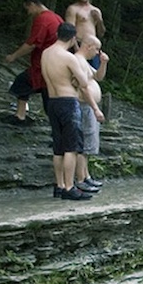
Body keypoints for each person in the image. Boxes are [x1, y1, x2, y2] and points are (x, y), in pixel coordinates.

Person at [41, 22, 104, 200]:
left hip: (52, 101)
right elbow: (83, 82)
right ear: (73, 38)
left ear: (57, 34)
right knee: (72, 147)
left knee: (58, 147)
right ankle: (69, 187)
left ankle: (59, 185)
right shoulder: (68, 57)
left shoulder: (46, 53)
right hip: (68, 102)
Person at [4, 0, 63, 125]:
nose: (29, 13)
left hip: (44, 65)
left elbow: (32, 43)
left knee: (24, 82)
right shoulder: (57, 17)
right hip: (55, 64)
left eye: (28, 9)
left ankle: (21, 116)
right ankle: (21, 115)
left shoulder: (43, 19)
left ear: (32, 4)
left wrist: (14, 56)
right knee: (31, 86)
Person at [73, 34, 108, 192]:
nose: (97, 53)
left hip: (89, 107)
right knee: (85, 144)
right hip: (85, 105)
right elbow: (83, 88)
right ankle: (81, 179)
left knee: (89, 144)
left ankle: (86, 176)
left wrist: (103, 63)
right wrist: (95, 108)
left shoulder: (85, 63)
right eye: (96, 49)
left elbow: (98, 77)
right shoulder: (78, 61)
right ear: (88, 46)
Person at [64, 0, 106, 69]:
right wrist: (76, 49)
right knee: (77, 72)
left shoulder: (96, 10)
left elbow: (101, 33)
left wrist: (99, 20)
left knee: (93, 72)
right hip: (79, 44)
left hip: (93, 46)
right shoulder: (73, 9)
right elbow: (70, 30)